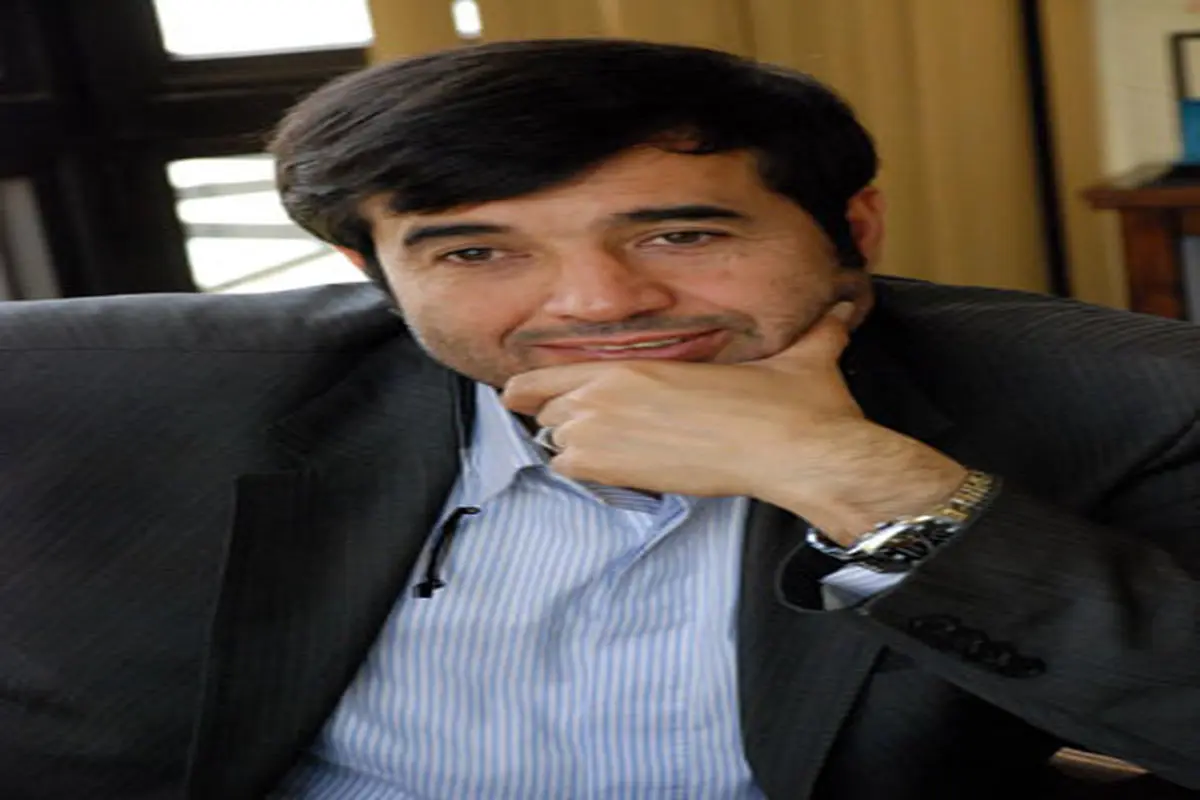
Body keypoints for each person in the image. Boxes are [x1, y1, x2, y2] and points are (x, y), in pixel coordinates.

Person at [0, 38, 1197, 800]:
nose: (600, 303)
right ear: (377, 273)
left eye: (682, 232)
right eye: (477, 251)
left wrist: (863, 482)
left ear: (855, 227)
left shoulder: (1126, 395)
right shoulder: (105, 380)